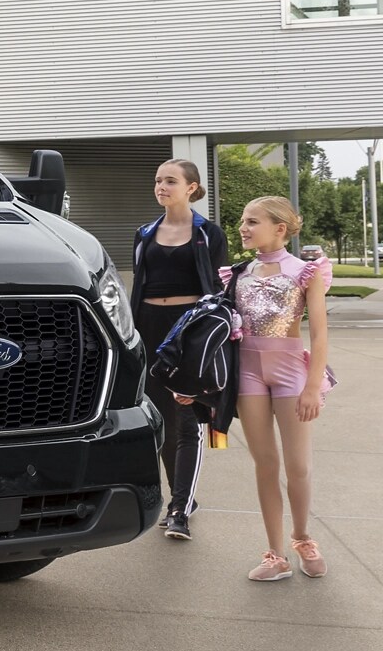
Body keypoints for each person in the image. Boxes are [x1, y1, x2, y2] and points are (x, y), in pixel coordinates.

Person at [217, 197, 334, 582]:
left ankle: (302, 538)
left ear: (280, 228)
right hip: (248, 372)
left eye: (252, 221)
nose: (243, 228)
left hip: (290, 373)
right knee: (265, 464)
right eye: (242, 221)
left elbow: (319, 334)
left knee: (298, 465)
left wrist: (312, 386)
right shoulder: (237, 274)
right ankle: (276, 554)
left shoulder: (305, 272)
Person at [129, 159, 228, 541]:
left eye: (170, 180)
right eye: (157, 180)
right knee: (157, 420)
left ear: (192, 187)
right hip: (149, 330)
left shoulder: (208, 233)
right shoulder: (144, 233)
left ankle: (179, 508)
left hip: (188, 332)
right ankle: (175, 498)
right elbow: (139, 285)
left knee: (186, 420)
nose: (161, 186)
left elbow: (217, 292)